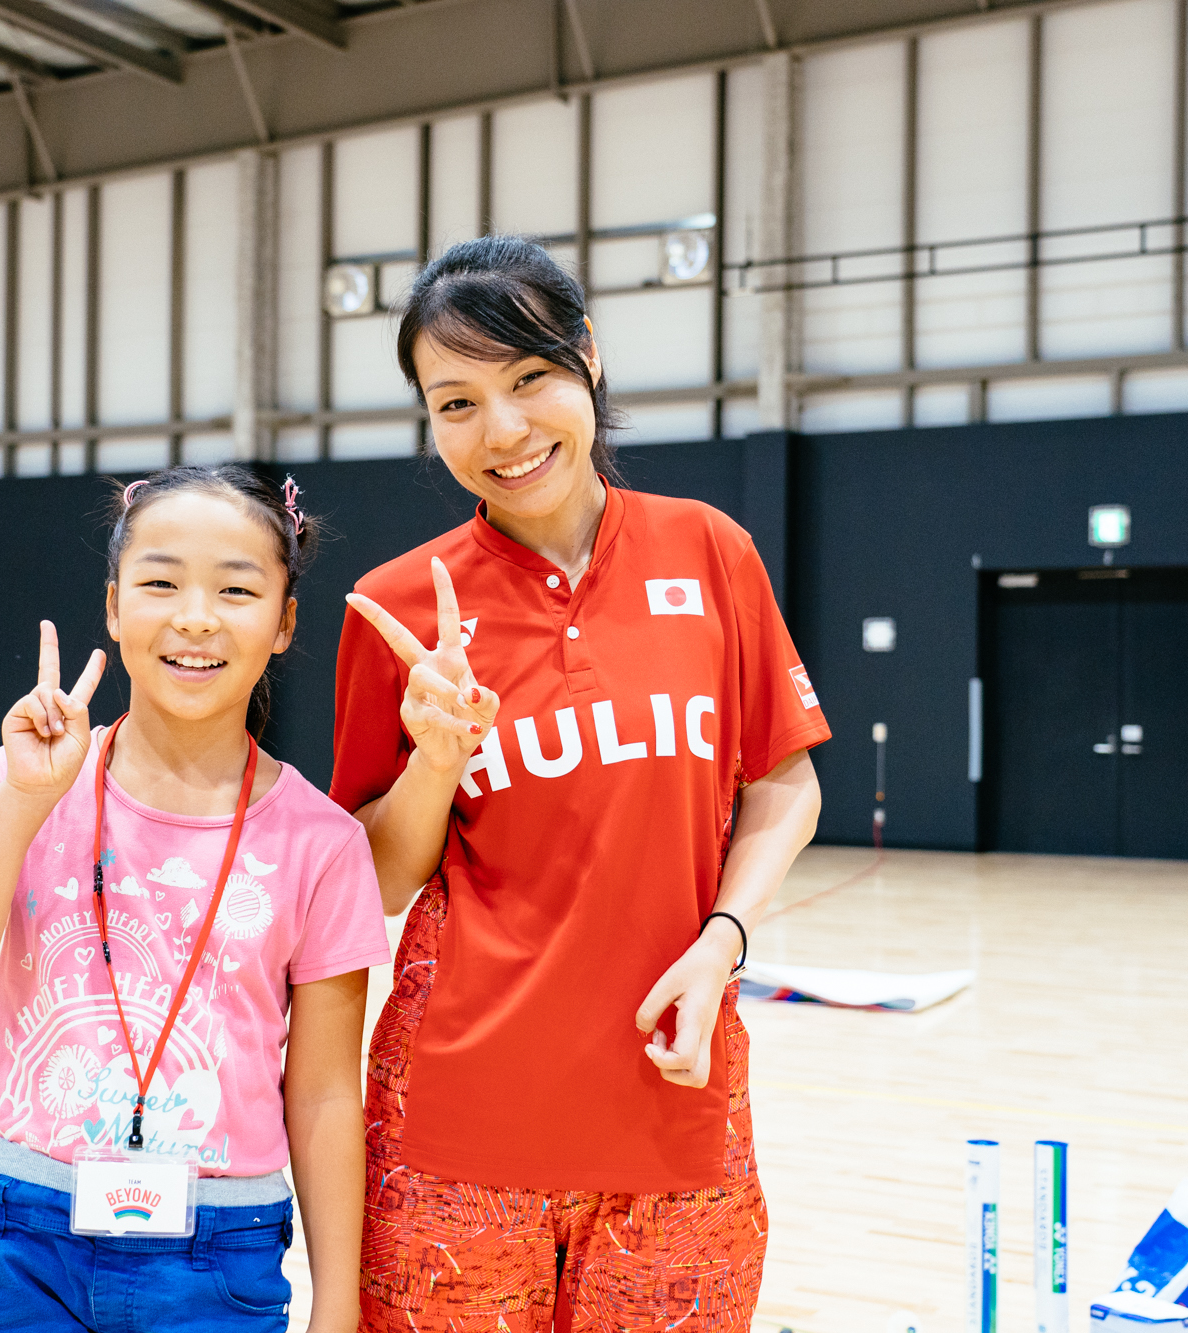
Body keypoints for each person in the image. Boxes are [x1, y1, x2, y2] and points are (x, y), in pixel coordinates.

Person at [333, 235, 829, 1333]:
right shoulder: (395, 606)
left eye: (526, 379)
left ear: (587, 359)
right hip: (458, 1126)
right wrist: (433, 758)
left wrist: (723, 939)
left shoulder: (709, 552)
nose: (501, 430)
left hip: (674, 1097)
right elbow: (371, 877)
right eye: (453, 402)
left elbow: (784, 784)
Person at [0, 465, 389, 1333]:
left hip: (218, 1250)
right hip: (14, 1236)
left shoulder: (324, 843)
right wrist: (23, 801)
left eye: (236, 588)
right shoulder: (12, 784)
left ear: (285, 622)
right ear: (115, 607)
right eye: (160, 582)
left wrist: (337, 1305)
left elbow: (321, 1096)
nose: (195, 615)